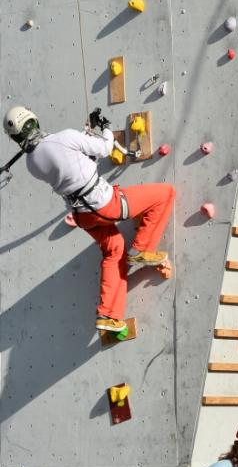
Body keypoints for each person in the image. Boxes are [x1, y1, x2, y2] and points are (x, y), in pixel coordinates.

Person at [4, 106, 175, 332]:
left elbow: (75, 163)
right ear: (34, 121)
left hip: (82, 216)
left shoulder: (31, 163)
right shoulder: (63, 138)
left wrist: (84, 137)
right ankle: (142, 249)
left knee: (114, 249)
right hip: (104, 202)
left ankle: (109, 315)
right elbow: (104, 148)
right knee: (166, 194)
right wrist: (104, 127)